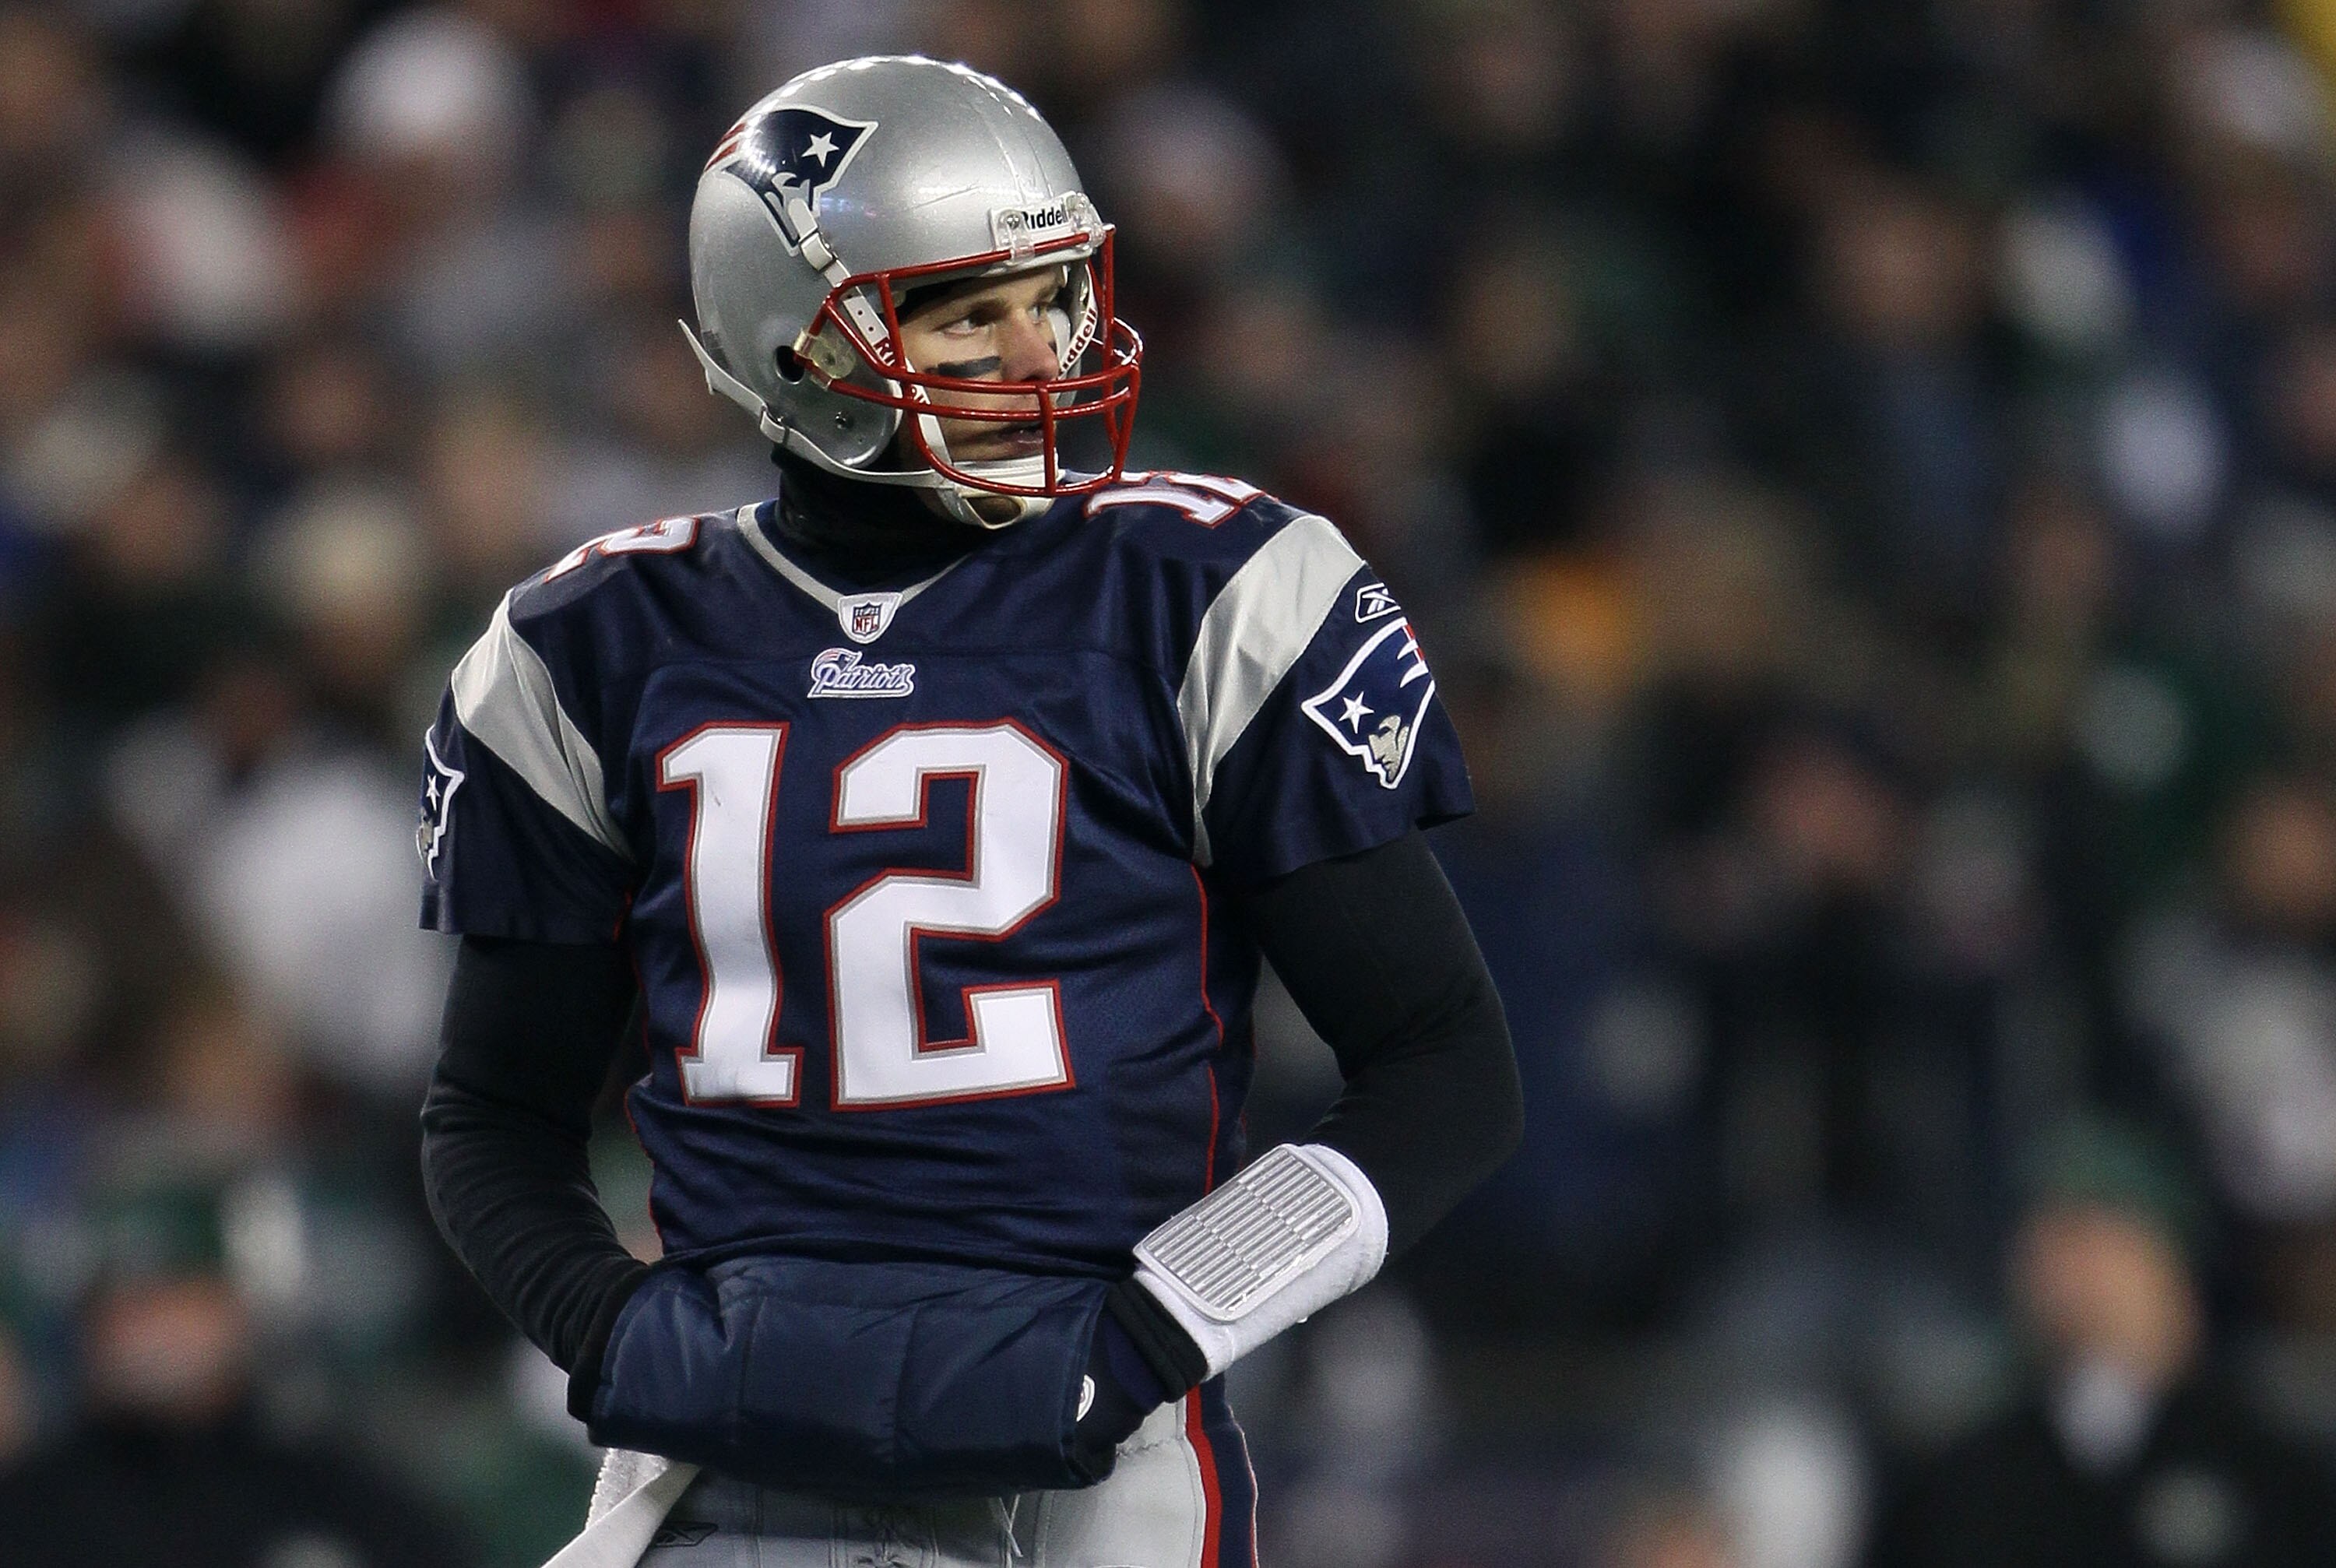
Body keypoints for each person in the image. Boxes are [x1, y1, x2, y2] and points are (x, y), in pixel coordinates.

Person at [417, 54, 1521, 1565]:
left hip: (1100, 1463)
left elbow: (1445, 1065)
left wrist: (1154, 1327)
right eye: (967, 312)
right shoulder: (595, 641)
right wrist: (613, 1331)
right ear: (800, 344)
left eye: (1054, 295)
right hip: (730, 1451)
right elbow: (493, 1111)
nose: (1038, 348)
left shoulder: (1201, 591)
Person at [1859, 1119, 2336, 1567]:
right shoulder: (1959, 1484)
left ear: (2175, 1266)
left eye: (2101, 1235)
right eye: (2054, 1238)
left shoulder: (2273, 1472)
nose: (2076, 1271)